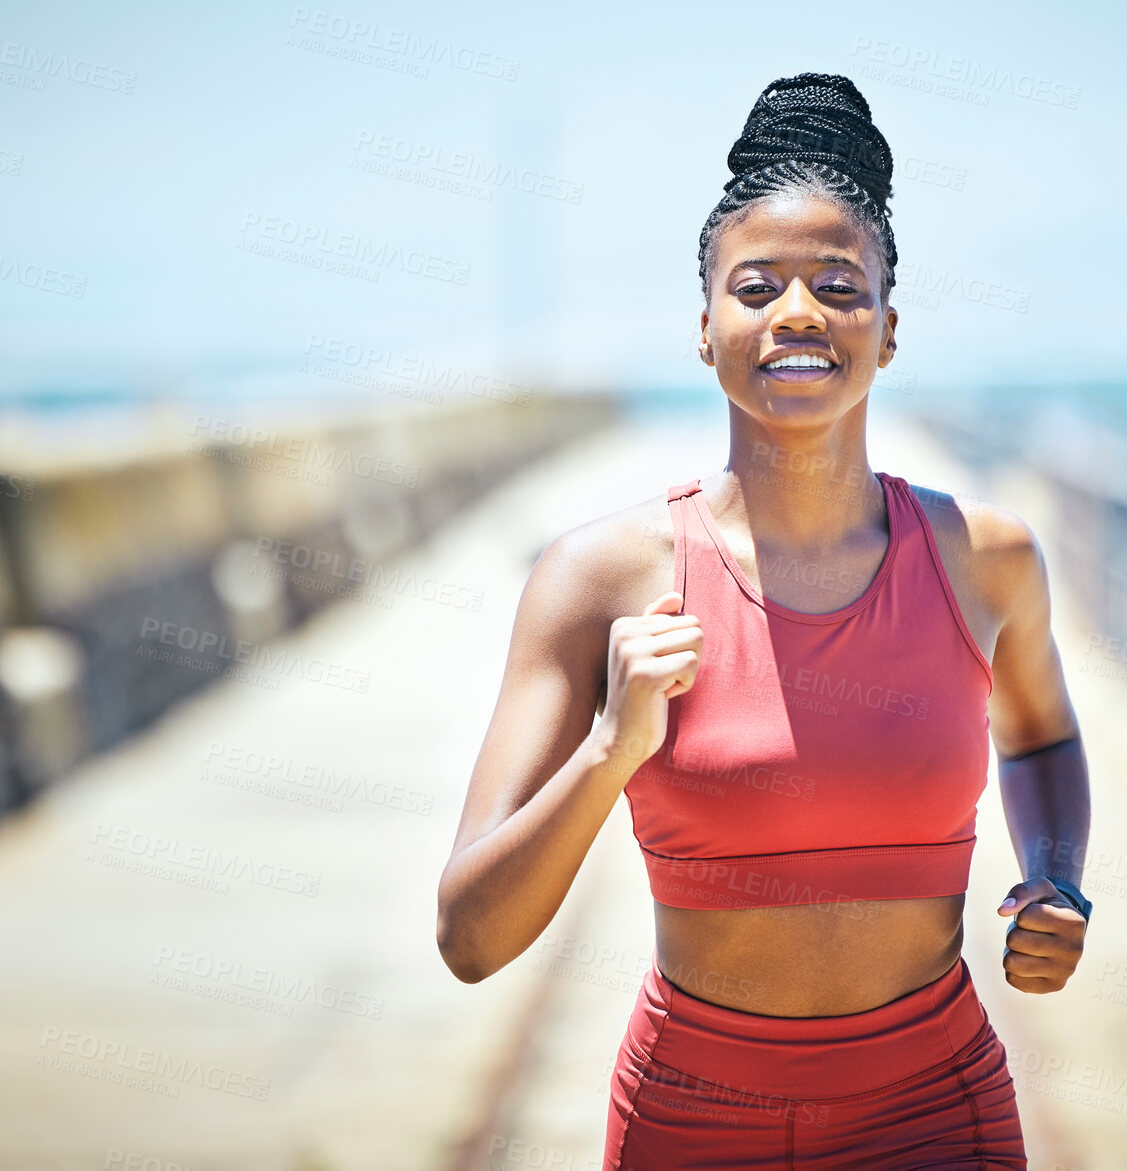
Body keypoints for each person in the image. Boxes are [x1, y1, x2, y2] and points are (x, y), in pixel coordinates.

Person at [436, 71, 1092, 1170]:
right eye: (757, 288)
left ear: (887, 331)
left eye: (840, 285)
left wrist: (1057, 872)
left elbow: (1040, 733)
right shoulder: (598, 578)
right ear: (704, 329)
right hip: (688, 1119)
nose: (797, 313)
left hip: (936, 1113)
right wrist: (611, 750)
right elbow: (470, 937)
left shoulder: (986, 562)